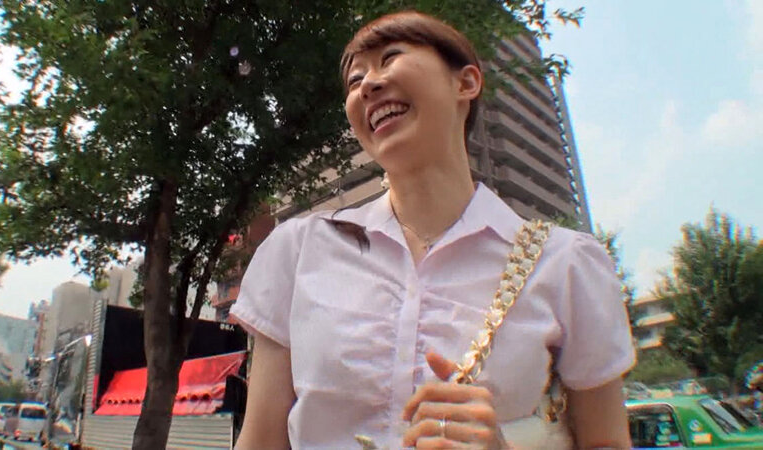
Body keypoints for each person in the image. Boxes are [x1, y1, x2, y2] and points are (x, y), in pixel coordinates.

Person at [230, 10, 635, 449]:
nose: (367, 85)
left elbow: (607, 441)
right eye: (354, 80)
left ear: (466, 83)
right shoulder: (297, 251)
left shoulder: (567, 263)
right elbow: (260, 441)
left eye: (390, 58)